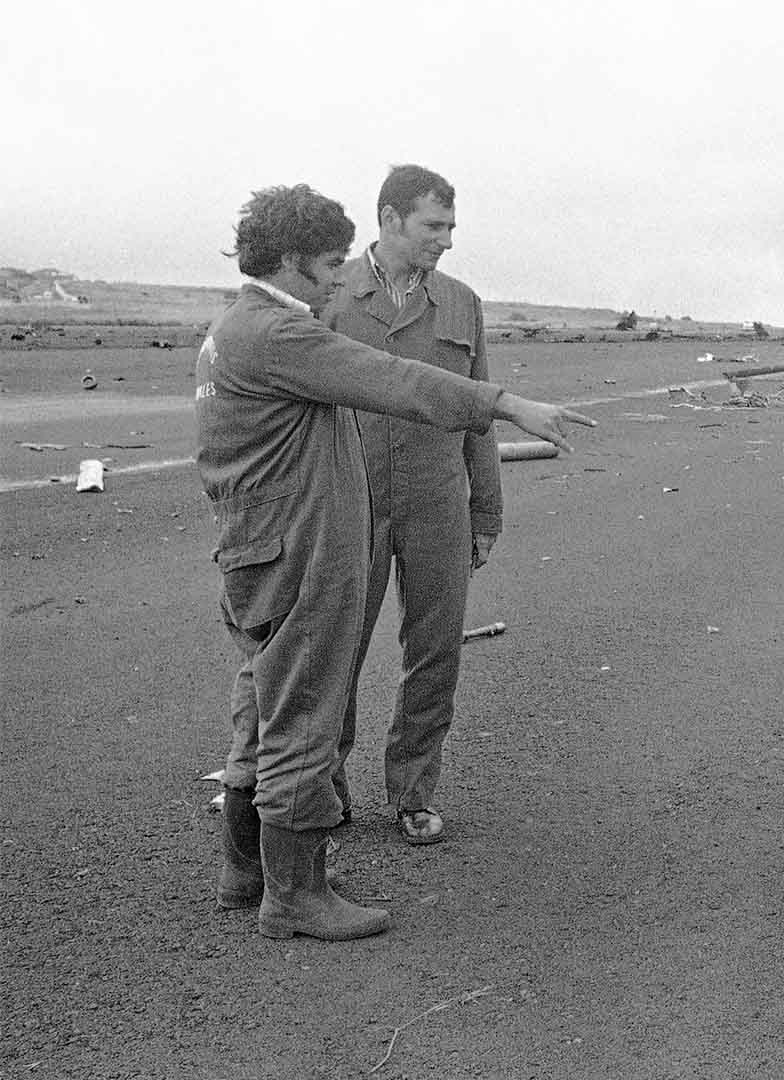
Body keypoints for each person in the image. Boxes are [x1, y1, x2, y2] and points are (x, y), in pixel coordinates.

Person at [196, 183, 594, 941]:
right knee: (306, 712)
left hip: (260, 542)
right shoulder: (279, 332)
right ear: (286, 262)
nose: (329, 283)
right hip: (299, 550)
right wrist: (507, 403)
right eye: (321, 268)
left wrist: (482, 503)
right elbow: (395, 381)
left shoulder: (231, 328)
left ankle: (247, 870)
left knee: (267, 701)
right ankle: (297, 895)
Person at [321, 165, 491, 847]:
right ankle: (323, 785)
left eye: (451, 226)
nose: (447, 240)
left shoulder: (461, 303)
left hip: (437, 502)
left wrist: (487, 514)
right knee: (336, 650)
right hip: (349, 502)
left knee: (435, 650)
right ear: (390, 220)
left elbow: (478, 409)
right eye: (433, 226)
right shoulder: (330, 298)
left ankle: (414, 792)